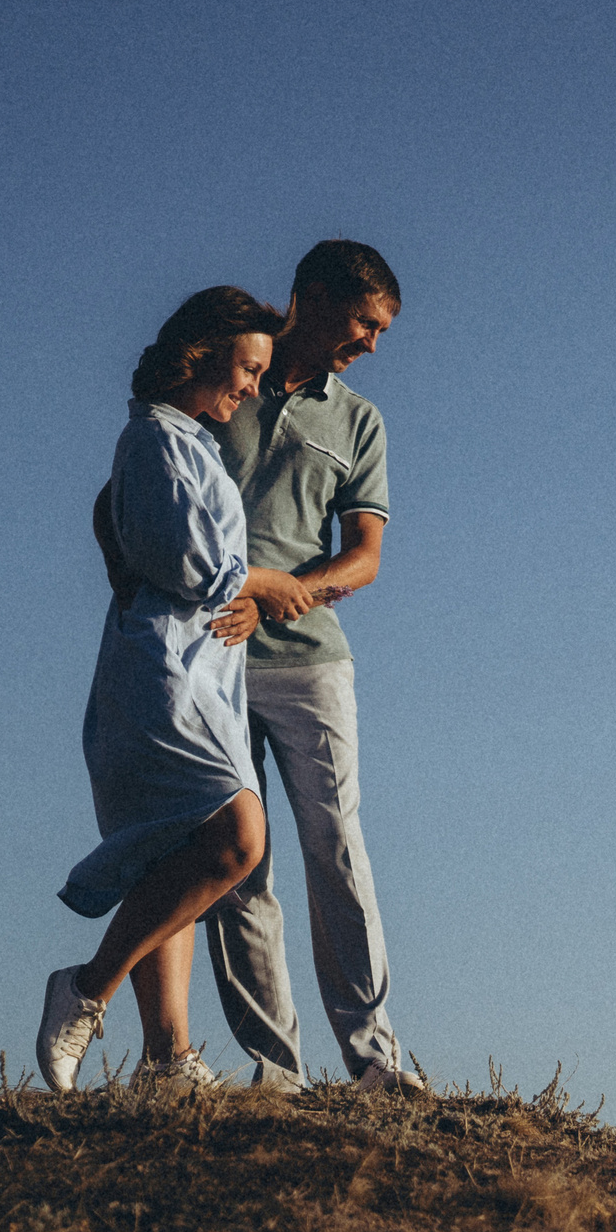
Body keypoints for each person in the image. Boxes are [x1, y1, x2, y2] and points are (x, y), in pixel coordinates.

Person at [92, 241, 419, 1094]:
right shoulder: (230, 368)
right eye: (362, 322)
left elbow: (366, 556)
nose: (372, 343)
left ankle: (376, 1061)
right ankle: (279, 1074)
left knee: (338, 846)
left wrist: (288, 594)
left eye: (380, 329)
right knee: (244, 868)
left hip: (310, 661)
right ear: (309, 297)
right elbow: (123, 496)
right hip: (209, 663)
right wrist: (135, 586)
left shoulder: (360, 421)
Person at [38, 285, 311, 1093]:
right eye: (247, 366)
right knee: (237, 837)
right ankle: (88, 988)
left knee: (175, 850)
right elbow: (198, 566)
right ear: (200, 353)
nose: (254, 387)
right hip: (166, 677)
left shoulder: (182, 442)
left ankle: (165, 1063)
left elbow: (124, 525)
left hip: (194, 672)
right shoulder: (156, 439)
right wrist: (264, 582)